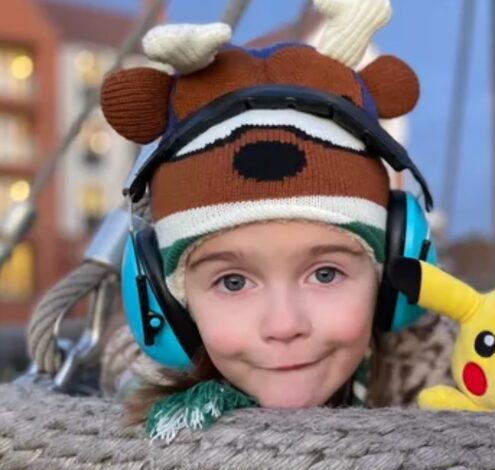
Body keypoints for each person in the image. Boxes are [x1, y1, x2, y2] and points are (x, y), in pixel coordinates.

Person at [99, 0, 435, 440]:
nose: (284, 326)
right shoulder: (132, 405)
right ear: (167, 303)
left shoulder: (458, 382)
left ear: (390, 278)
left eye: (326, 273)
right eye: (233, 282)